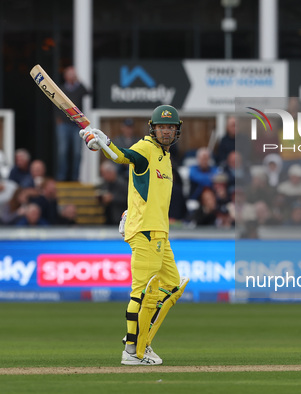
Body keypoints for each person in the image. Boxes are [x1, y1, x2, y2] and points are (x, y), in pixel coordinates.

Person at [80, 104, 189, 366]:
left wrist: (131, 211)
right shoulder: (146, 147)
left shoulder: (165, 156)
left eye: (170, 127)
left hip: (160, 232)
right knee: (142, 293)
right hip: (146, 233)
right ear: (153, 128)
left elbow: (144, 189)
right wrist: (103, 142)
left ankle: (139, 335)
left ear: (176, 132)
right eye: (161, 127)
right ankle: (133, 350)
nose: (165, 131)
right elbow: (123, 157)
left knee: (172, 286)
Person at [55, 66, 90, 181]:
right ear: (65, 76)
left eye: (73, 74)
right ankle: (62, 177)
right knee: (62, 151)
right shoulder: (60, 89)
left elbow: (88, 92)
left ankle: (75, 177)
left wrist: (78, 80)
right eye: (70, 74)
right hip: (64, 124)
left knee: (77, 153)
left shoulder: (79, 88)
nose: (72, 76)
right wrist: (58, 118)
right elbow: (55, 103)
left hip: (77, 125)